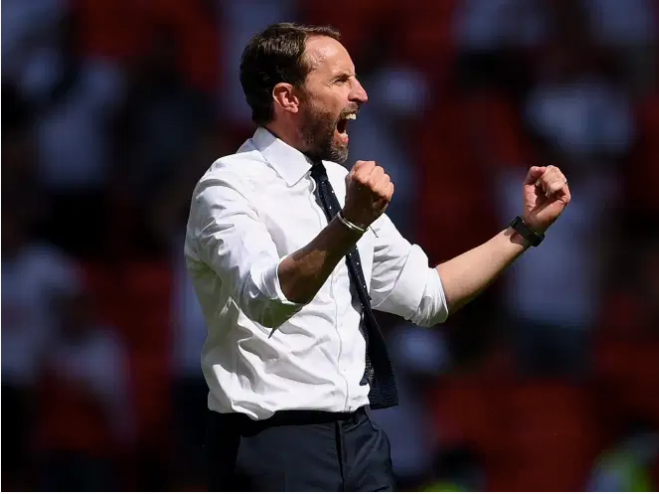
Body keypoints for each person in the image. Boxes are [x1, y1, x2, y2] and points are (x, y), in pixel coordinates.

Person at [184, 22, 571, 492]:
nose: (362, 95)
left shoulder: (339, 185)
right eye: (341, 81)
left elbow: (429, 296)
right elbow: (269, 299)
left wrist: (525, 229)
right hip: (274, 447)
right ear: (288, 98)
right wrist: (350, 223)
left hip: (361, 441)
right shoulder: (228, 186)